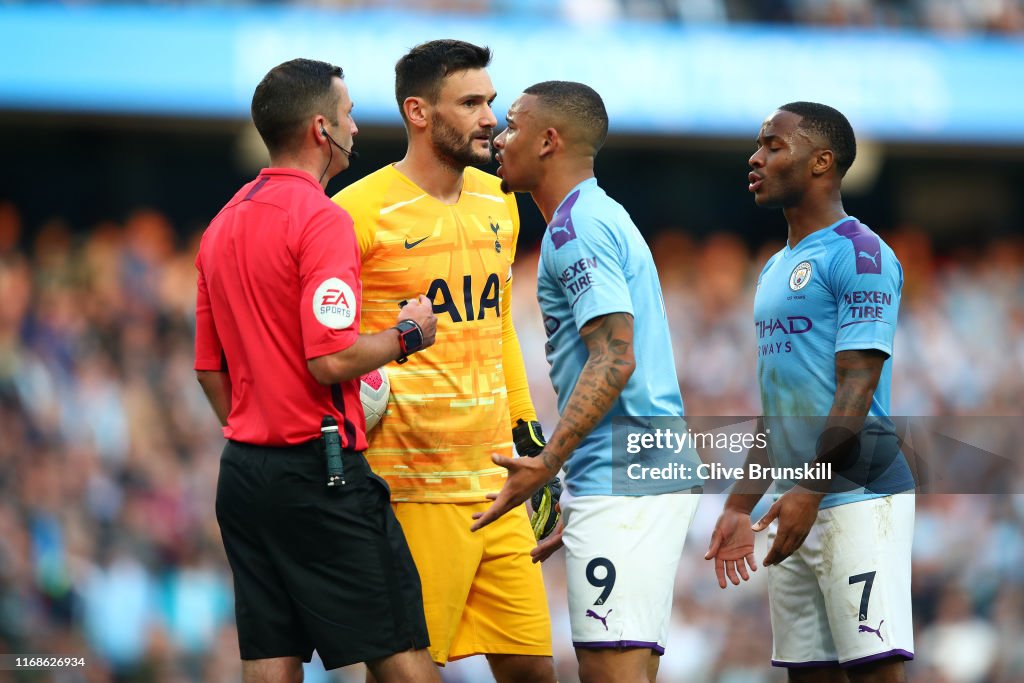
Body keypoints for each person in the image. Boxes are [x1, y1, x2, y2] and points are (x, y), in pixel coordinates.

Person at [193, 58, 440, 683]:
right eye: (350, 113)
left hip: (245, 475)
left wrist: (260, 430)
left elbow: (208, 370)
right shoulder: (322, 219)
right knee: (401, 650)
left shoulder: (220, 224)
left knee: (270, 654)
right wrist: (408, 333)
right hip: (321, 470)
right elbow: (329, 358)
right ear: (320, 130)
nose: (357, 127)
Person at [331, 40, 557, 682]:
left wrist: (528, 432)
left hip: (497, 485)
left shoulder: (500, 203)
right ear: (419, 112)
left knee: (538, 673)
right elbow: (329, 348)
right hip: (411, 493)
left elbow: (499, 327)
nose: (491, 118)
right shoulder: (357, 214)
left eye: (490, 100)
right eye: (471, 103)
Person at [475, 81, 702, 683]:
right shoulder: (599, 215)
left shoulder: (576, 228)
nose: (500, 137)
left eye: (513, 125)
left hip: (624, 477)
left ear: (549, 140)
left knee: (610, 673)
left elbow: (614, 357)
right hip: (630, 473)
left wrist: (550, 463)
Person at [704, 102, 916, 682]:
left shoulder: (861, 254)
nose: (757, 156)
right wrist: (739, 504)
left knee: (874, 670)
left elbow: (857, 385)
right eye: (759, 144)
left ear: (822, 162)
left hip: (857, 497)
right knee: (806, 674)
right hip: (794, 501)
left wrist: (809, 488)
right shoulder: (775, 268)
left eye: (773, 145)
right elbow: (781, 408)